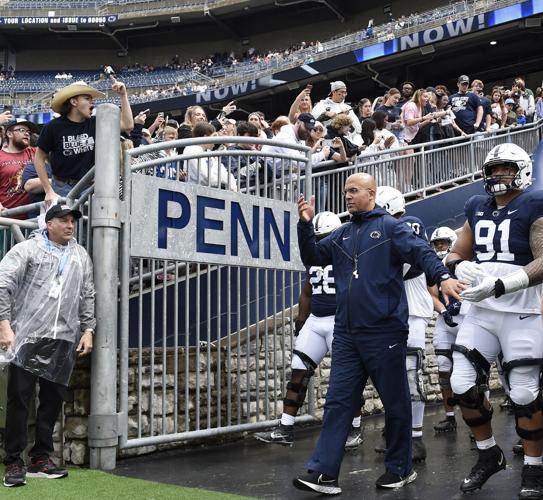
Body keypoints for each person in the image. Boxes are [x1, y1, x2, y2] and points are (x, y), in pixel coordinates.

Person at [293, 173, 464, 495]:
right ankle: (323, 473)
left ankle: (400, 468)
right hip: (346, 333)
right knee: (337, 402)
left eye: (354, 190)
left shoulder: (391, 227)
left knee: (395, 402)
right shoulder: (342, 234)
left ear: (371, 193)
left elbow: (422, 253)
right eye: (345, 191)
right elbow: (313, 258)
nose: (347, 196)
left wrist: (442, 277)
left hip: (384, 330)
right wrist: (304, 226)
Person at [446, 143, 543, 497]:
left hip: (521, 310)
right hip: (482, 313)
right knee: (460, 383)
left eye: (505, 168)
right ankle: (488, 454)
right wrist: (458, 265)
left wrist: (500, 284)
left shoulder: (535, 202)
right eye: (493, 169)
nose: (498, 175)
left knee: (523, 392)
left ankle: (534, 467)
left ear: (522, 169)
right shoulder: (476, 206)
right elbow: (456, 251)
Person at [0, 203, 95, 487]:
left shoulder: (80, 255)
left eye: (72, 221)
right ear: (48, 223)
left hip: (64, 337)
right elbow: (2, 282)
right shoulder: (28, 250)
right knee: (19, 400)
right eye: (63, 220)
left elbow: (87, 293)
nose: (69, 225)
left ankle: (41, 457)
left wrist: (88, 329)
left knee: (52, 401)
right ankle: (14, 461)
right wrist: (4, 324)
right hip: (28, 337)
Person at [254, 211, 364, 449]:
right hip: (316, 320)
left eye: (326, 236)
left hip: (341, 321)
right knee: (298, 373)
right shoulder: (314, 257)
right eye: (318, 237)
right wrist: (301, 322)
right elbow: (307, 291)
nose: (322, 242)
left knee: (347, 378)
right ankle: (285, 428)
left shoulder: (350, 255)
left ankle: (355, 428)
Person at [373, 187, 434, 462]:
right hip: (389, 310)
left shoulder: (411, 225)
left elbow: (412, 264)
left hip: (411, 309)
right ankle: (397, 430)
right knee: (389, 375)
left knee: (410, 374)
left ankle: (416, 438)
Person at [34, 79, 134, 205]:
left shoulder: (96, 123)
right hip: (61, 187)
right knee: (66, 223)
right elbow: (39, 158)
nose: (93, 102)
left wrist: (123, 96)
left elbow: (127, 125)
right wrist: (48, 190)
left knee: (87, 224)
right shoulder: (53, 127)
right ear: (74, 102)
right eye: (87, 98)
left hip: (90, 186)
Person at [427, 226, 467, 434]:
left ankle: (479, 416)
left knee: (475, 370)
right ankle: (450, 417)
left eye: (443, 242)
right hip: (447, 319)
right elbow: (432, 293)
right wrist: (443, 312)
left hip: (467, 319)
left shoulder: (465, 261)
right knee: (443, 368)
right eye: (437, 243)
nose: (440, 247)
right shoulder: (433, 266)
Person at [0, 118, 39, 217]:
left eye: (28, 132)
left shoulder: (36, 153)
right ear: (9, 134)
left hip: (33, 217)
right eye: (22, 130)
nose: (26, 134)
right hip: (7, 218)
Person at [311, 81, 361, 145]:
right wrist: (325, 114)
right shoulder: (321, 105)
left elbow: (357, 129)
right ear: (334, 92)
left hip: (345, 143)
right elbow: (313, 122)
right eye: (341, 92)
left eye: (345, 92)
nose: (343, 95)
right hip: (326, 142)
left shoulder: (347, 107)